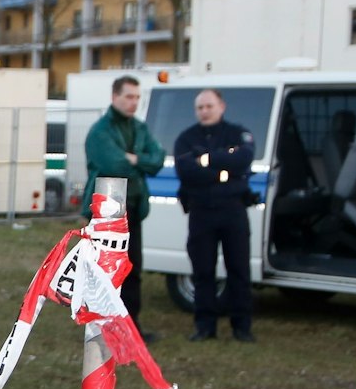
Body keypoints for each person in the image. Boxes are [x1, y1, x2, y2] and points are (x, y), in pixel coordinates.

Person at [83, 74, 163, 339]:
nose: (134, 103)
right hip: (107, 210)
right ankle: (104, 326)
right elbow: (112, 164)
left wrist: (134, 158)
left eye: (137, 97)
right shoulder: (100, 131)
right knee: (106, 270)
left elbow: (158, 159)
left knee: (133, 268)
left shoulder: (139, 128)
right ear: (114, 97)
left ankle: (131, 328)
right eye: (129, 96)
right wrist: (139, 161)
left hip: (133, 208)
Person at [174, 88, 257, 342]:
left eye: (209, 106)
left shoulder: (237, 133)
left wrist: (206, 160)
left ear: (222, 106)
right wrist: (224, 170)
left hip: (233, 210)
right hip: (201, 212)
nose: (204, 111)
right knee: (203, 271)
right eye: (200, 107)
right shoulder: (186, 138)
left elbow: (243, 160)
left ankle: (241, 327)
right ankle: (204, 326)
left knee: (239, 270)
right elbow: (186, 171)